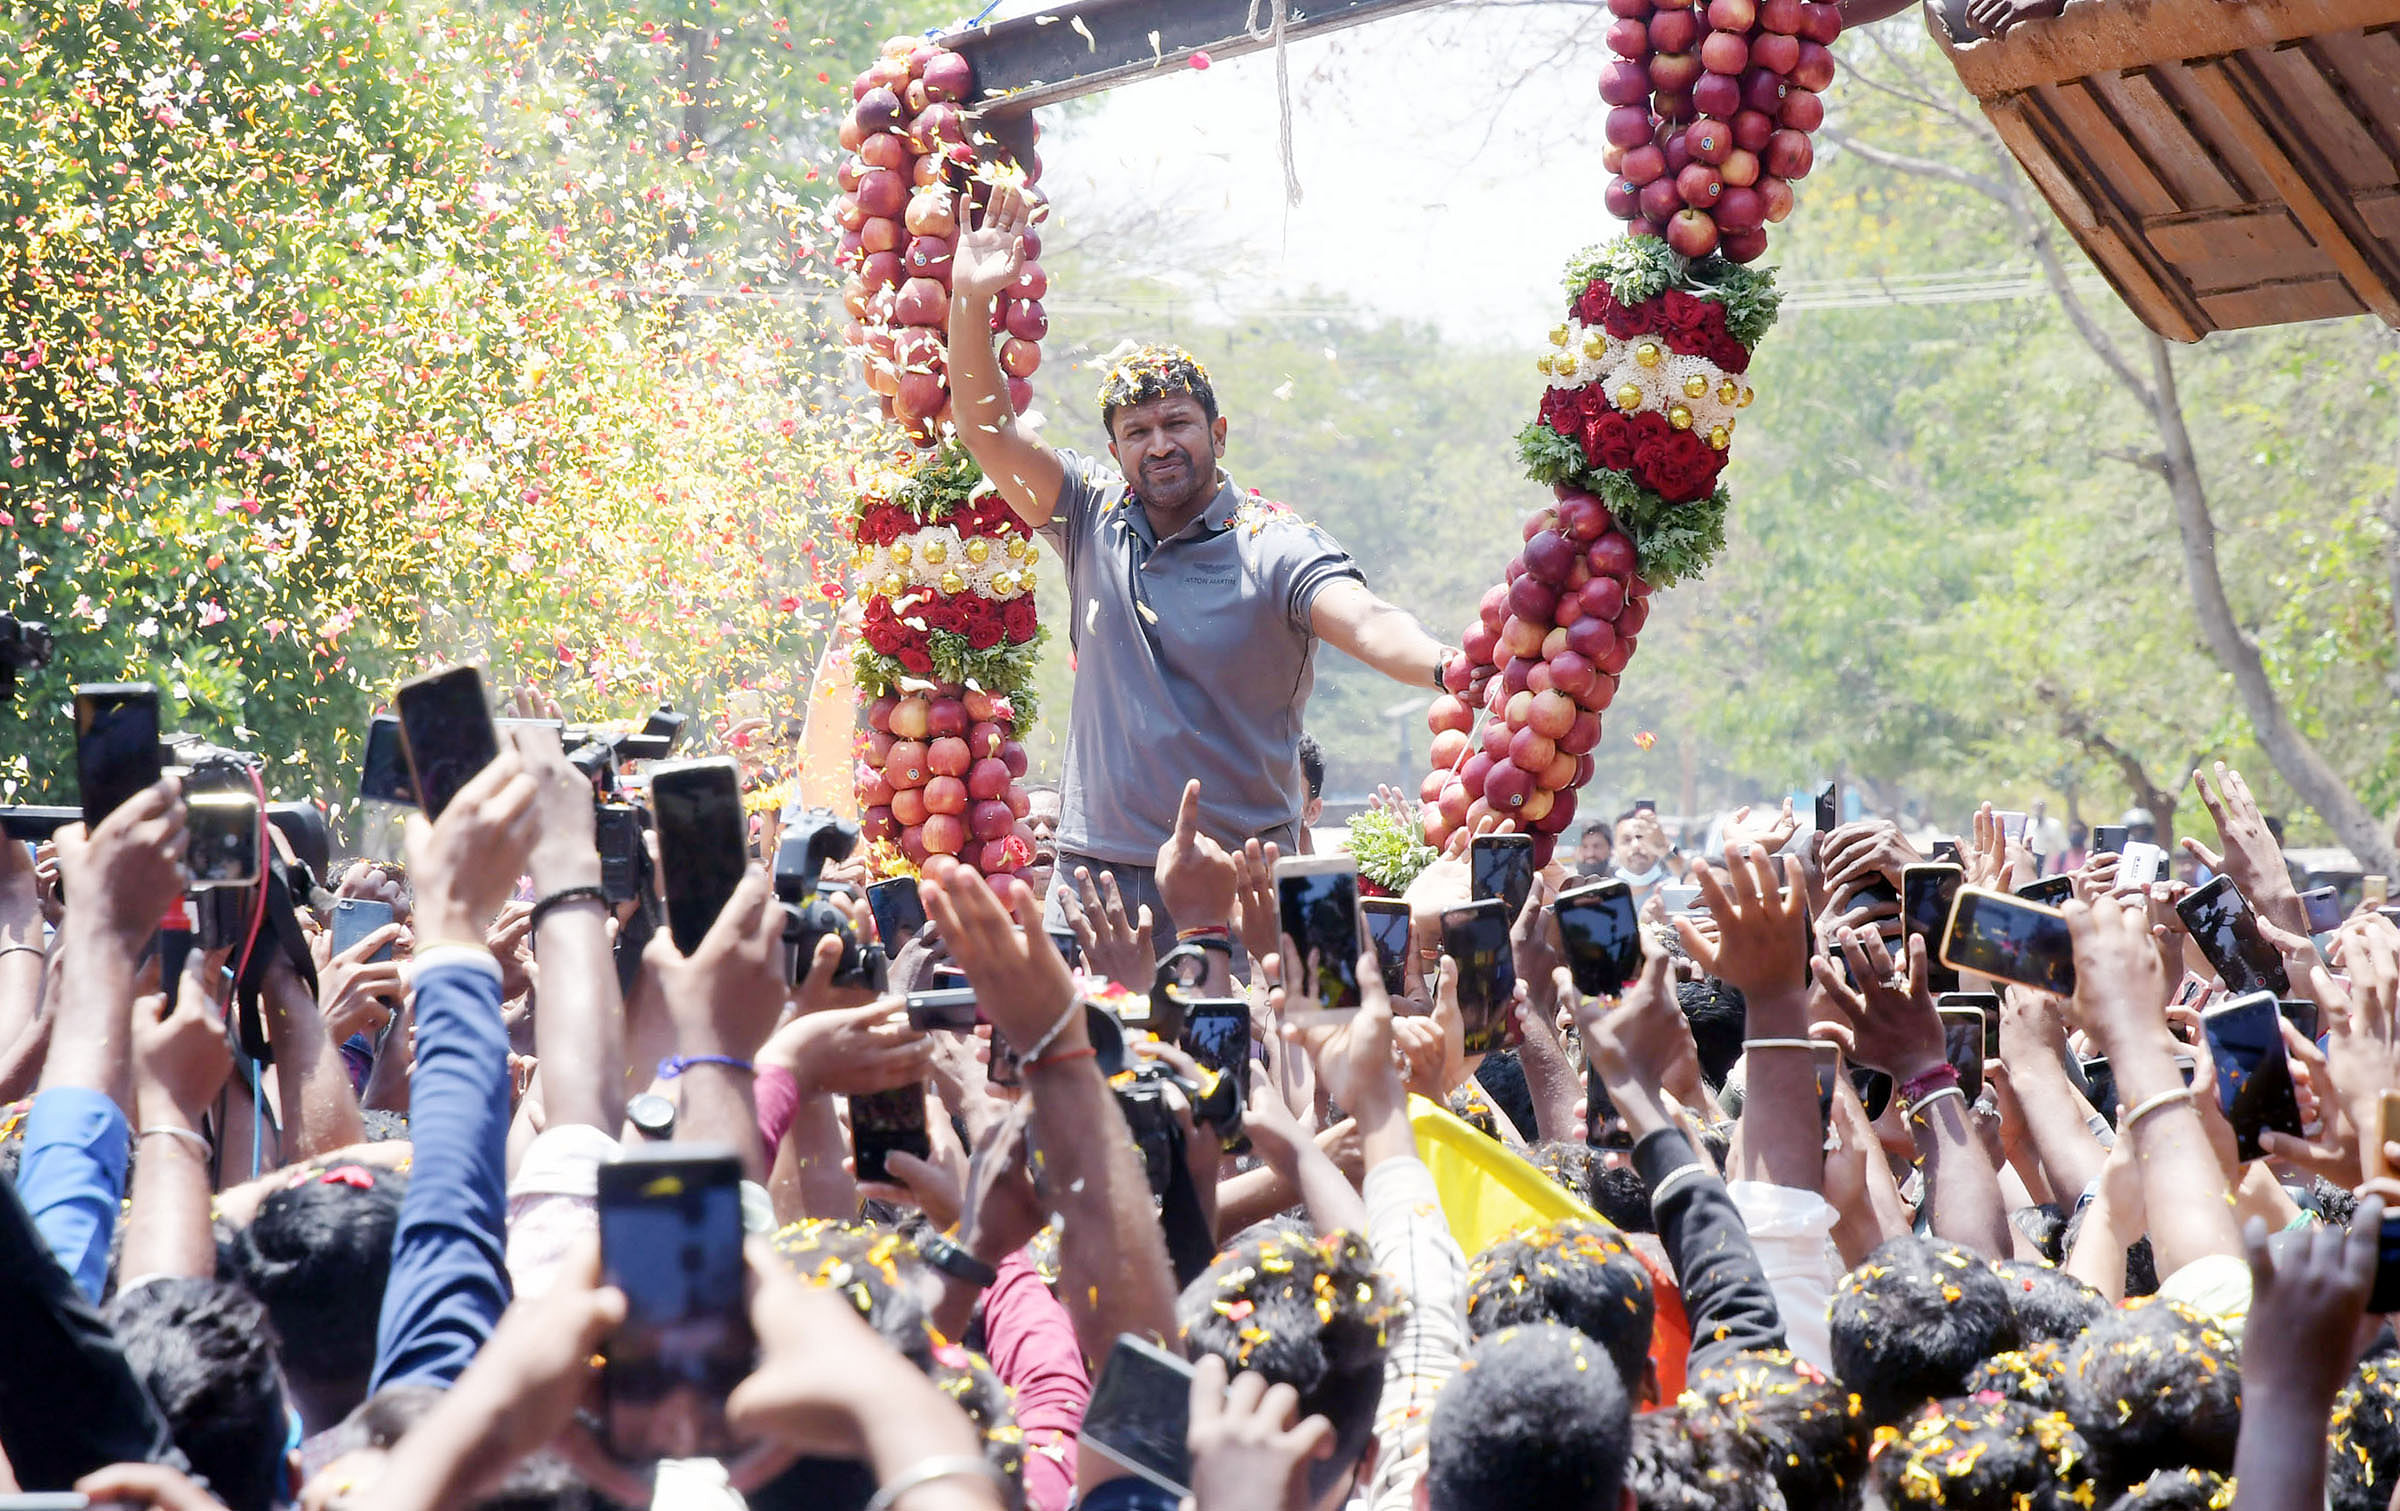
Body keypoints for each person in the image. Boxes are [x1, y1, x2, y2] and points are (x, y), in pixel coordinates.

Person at [946, 182, 1454, 942]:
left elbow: (1368, 621)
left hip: (1250, 880)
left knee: (1280, 1055)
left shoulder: (1272, 541)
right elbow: (988, 435)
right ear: (1114, 451)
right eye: (1137, 430)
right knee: (1089, 1061)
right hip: (1097, 878)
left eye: (1177, 422)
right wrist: (968, 300)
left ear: (1218, 431)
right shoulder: (1091, 516)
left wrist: (1450, 666)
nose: (1159, 444)